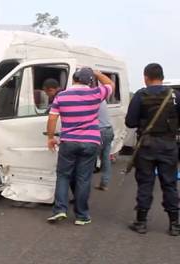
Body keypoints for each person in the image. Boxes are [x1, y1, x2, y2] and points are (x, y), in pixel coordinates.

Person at [46, 68, 114, 225]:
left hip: (68, 141)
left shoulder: (61, 96)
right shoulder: (96, 93)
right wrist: (96, 73)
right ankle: (82, 216)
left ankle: (60, 210)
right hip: (91, 142)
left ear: (73, 79)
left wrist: (50, 137)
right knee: (83, 178)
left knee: (63, 176)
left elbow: (52, 118)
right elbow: (110, 84)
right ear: (90, 81)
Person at [125, 63, 180, 236]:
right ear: (162, 77)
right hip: (169, 145)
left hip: (146, 146)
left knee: (145, 183)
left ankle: (141, 223)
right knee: (170, 184)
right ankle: (175, 225)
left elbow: (130, 122)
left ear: (146, 77)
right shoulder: (175, 96)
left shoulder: (140, 95)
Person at [94, 101, 114, 191]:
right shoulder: (103, 100)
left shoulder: (90, 100)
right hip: (108, 130)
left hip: (98, 131)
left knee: (88, 159)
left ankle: (81, 188)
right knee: (106, 158)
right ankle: (104, 183)